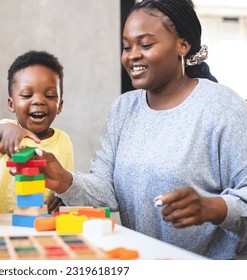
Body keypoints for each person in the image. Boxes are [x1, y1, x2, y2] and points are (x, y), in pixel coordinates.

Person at [32, 0, 247, 260]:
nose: (132, 55)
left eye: (145, 45)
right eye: (126, 46)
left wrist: (214, 207)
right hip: (144, 266)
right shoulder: (123, 109)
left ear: (182, 45)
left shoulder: (221, 107)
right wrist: (64, 180)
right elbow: (106, 193)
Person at [0, 50, 74, 214]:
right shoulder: (7, 129)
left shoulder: (63, 140)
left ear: (59, 105)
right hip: (2, 221)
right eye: (26, 94)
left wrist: (61, 198)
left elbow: (66, 182)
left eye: (50, 95)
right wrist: (6, 131)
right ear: (11, 104)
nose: (38, 101)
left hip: (41, 222)